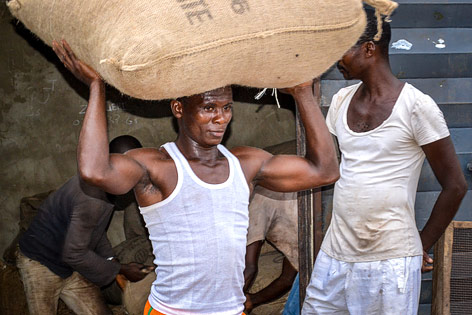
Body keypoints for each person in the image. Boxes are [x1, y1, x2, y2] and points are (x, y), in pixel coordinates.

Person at [51, 38, 339, 315]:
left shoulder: (245, 163)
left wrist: (302, 93)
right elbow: (94, 171)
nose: (221, 118)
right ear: (179, 108)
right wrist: (96, 86)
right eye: (208, 108)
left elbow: (324, 171)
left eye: (227, 108)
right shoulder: (158, 166)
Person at [302, 10, 467, 315]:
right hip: (336, 254)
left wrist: (422, 243)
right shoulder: (340, 101)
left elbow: (455, 186)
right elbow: (325, 166)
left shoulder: (417, 107)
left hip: (391, 259)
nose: (337, 59)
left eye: (343, 49)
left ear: (369, 49)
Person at [17, 135, 153, 315]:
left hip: (67, 262)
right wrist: (121, 269)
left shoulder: (106, 185)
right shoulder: (91, 198)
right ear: (110, 163)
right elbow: (74, 253)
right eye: (129, 166)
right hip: (40, 262)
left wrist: (112, 260)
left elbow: (96, 231)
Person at [243, 141, 299, 314]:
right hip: (314, 245)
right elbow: (287, 279)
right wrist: (251, 300)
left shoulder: (255, 204)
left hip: (316, 253)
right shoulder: (272, 183)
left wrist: (228, 301)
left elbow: (250, 268)